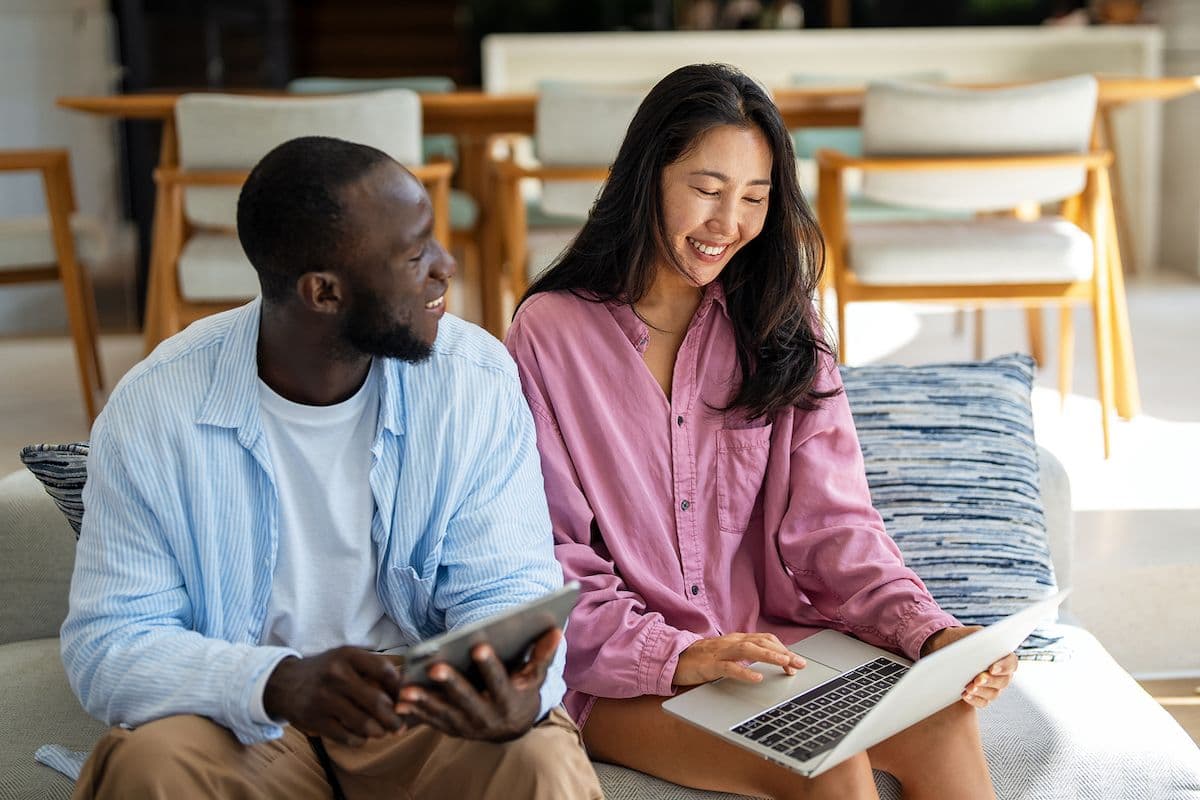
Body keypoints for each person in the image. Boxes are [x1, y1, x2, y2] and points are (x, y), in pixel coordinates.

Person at [505, 64, 1017, 800]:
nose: (728, 224)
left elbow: (835, 525)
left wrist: (930, 634)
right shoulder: (549, 333)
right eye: (707, 190)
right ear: (645, 176)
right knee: (827, 762)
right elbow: (546, 557)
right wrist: (678, 654)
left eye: (754, 197)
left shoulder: (782, 323)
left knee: (943, 718)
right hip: (629, 678)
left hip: (772, 647)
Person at [62, 135, 602, 800]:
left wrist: (524, 691)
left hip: (415, 713)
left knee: (539, 764)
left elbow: (509, 592)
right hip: (250, 720)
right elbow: (110, 644)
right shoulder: (157, 408)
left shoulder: (474, 381)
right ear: (323, 292)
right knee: (150, 766)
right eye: (413, 257)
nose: (446, 266)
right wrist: (277, 681)